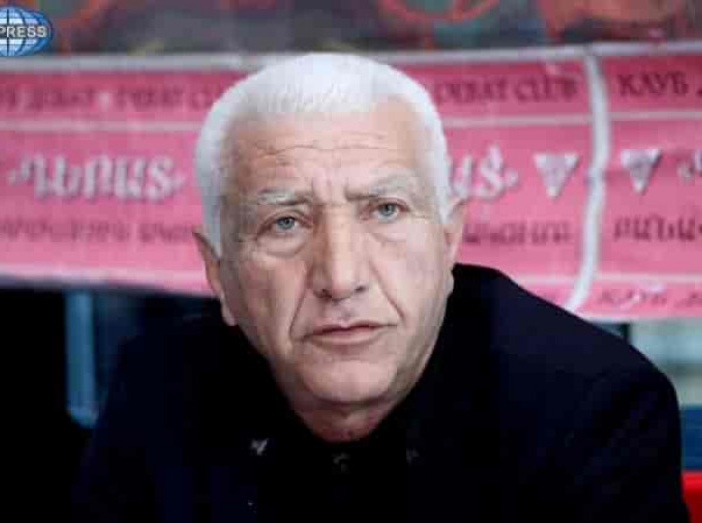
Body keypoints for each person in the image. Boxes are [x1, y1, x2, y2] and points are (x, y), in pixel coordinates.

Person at [72, 54, 688, 523]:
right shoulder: (159, 387)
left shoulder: (591, 408)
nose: (341, 278)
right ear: (219, 273)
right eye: (285, 223)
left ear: (448, 241)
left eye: (386, 210)